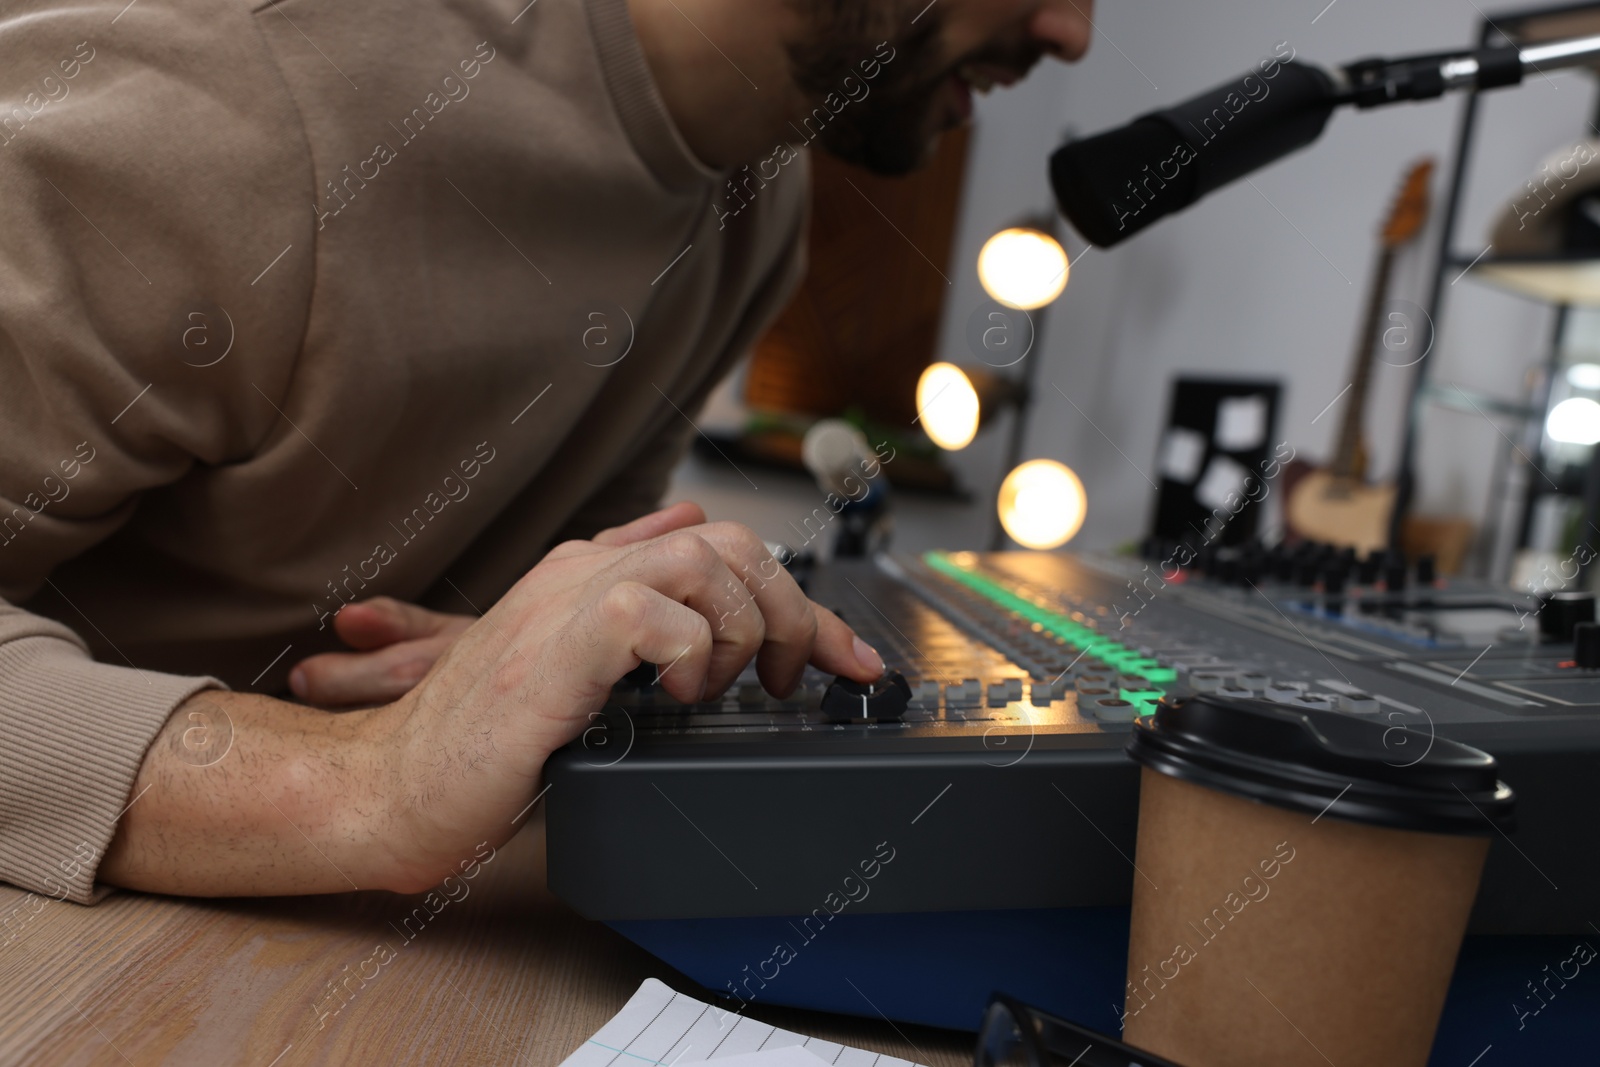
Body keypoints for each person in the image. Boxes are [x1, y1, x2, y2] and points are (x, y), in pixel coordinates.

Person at [0, 0, 1092, 904]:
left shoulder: (760, 207)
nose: (1074, 30)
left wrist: (509, 667)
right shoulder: (237, 87)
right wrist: (364, 780)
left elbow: (511, 631)